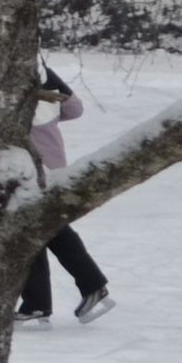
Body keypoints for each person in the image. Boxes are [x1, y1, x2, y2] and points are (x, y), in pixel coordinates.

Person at [20, 65, 115, 323]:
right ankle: (37, 304)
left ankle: (90, 286)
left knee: (44, 232)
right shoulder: (48, 94)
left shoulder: (19, 97)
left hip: (33, 172)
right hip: (51, 170)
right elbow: (75, 109)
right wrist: (54, 81)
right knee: (38, 232)